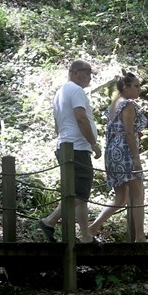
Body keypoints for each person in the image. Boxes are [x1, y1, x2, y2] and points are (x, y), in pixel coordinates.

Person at [38, 59, 101, 243]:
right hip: (77, 148)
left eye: (91, 72)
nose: (90, 76)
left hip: (65, 146)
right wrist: (93, 143)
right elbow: (81, 118)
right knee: (79, 194)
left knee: (78, 194)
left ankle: (85, 236)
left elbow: (58, 125)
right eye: (87, 72)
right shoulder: (75, 90)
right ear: (74, 72)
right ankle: (49, 221)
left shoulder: (60, 93)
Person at [89, 70, 148, 242]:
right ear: (126, 87)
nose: (139, 89)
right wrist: (137, 159)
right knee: (138, 193)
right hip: (125, 152)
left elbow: (120, 129)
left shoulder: (115, 103)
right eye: (136, 86)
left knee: (121, 198)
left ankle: (93, 227)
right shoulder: (128, 104)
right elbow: (128, 133)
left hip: (112, 152)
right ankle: (140, 236)